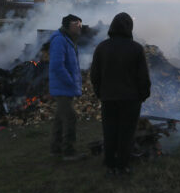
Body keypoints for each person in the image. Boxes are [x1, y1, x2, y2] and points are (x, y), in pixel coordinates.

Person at [91, 12, 151, 176]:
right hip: (131, 99)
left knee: (109, 131)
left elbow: (94, 75)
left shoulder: (102, 47)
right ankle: (122, 166)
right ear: (129, 28)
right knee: (127, 133)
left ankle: (110, 165)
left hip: (108, 98)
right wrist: (143, 95)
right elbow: (143, 77)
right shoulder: (136, 48)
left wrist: (100, 93)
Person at [49, 13, 86, 161]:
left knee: (60, 118)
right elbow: (57, 66)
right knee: (70, 118)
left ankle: (55, 149)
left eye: (80, 24)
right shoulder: (59, 40)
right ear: (68, 26)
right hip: (63, 86)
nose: (79, 27)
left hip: (64, 86)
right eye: (76, 24)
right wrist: (70, 81)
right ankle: (69, 152)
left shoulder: (68, 40)